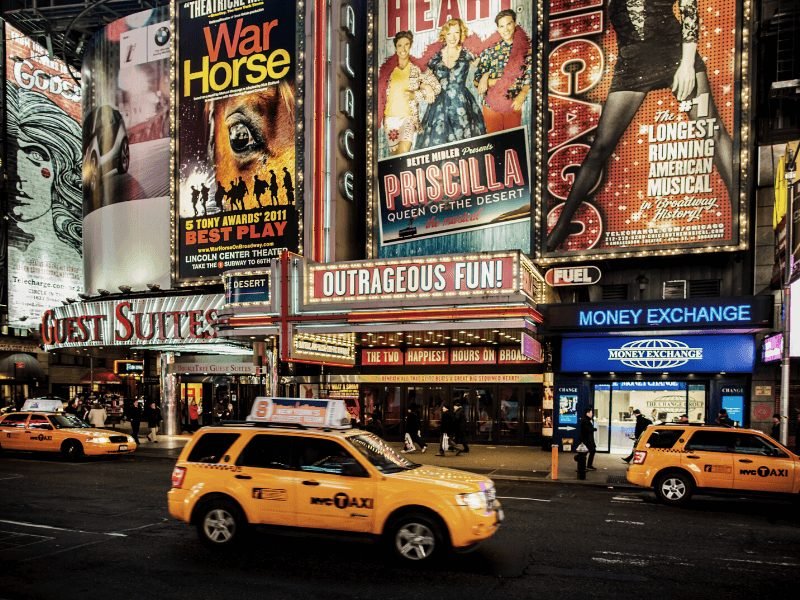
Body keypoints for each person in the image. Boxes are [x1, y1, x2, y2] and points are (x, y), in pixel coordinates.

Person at [546, 0, 733, 252]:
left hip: (674, 54)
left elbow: (690, 10)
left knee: (714, 132)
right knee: (600, 148)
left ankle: (740, 209)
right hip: (632, 65)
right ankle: (560, 227)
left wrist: (687, 64)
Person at [416, 18, 486, 149]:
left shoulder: (468, 54)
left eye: (456, 33)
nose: (453, 37)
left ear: (461, 34)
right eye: (449, 33)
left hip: (462, 107)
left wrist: (485, 77)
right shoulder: (435, 57)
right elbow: (419, 79)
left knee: (465, 148)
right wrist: (426, 87)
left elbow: (486, 65)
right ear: (444, 35)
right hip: (438, 109)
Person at [379, 30, 441, 155]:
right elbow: (379, 94)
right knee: (395, 157)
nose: (403, 48)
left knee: (403, 153)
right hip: (390, 119)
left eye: (406, 44)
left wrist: (418, 93)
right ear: (395, 47)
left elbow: (436, 87)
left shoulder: (417, 67)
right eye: (400, 45)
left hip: (408, 118)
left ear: (411, 45)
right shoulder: (387, 70)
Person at [473, 8, 532, 133]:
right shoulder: (491, 50)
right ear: (498, 28)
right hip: (491, 105)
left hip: (512, 103)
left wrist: (522, 95)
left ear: (515, 23)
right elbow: (476, 80)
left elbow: (530, 75)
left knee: (513, 143)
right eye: (502, 26)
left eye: (509, 24)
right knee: (494, 144)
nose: (505, 29)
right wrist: (486, 79)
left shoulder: (526, 48)